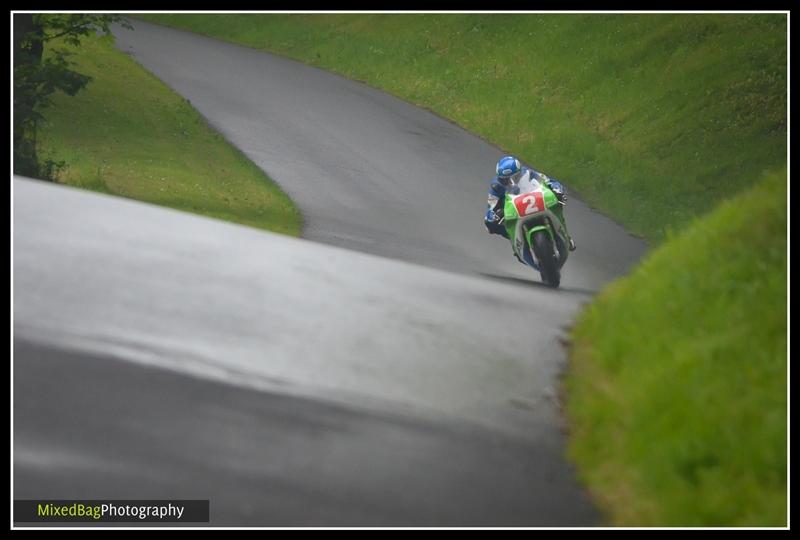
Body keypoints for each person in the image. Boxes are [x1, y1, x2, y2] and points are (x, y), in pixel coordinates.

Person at [484, 155, 576, 251]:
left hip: (536, 201)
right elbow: (491, 207)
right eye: (505, 180)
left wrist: (556, 190)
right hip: (514, 210)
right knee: (490, 225)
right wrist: (495, 215)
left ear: (519, 173)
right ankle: (515, 242)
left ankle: (564, 233)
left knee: (558, 201)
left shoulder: (529, 173)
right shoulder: (496, 186)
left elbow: (550, 181)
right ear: (500, 179)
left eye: (514, 178)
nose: (510, 182)